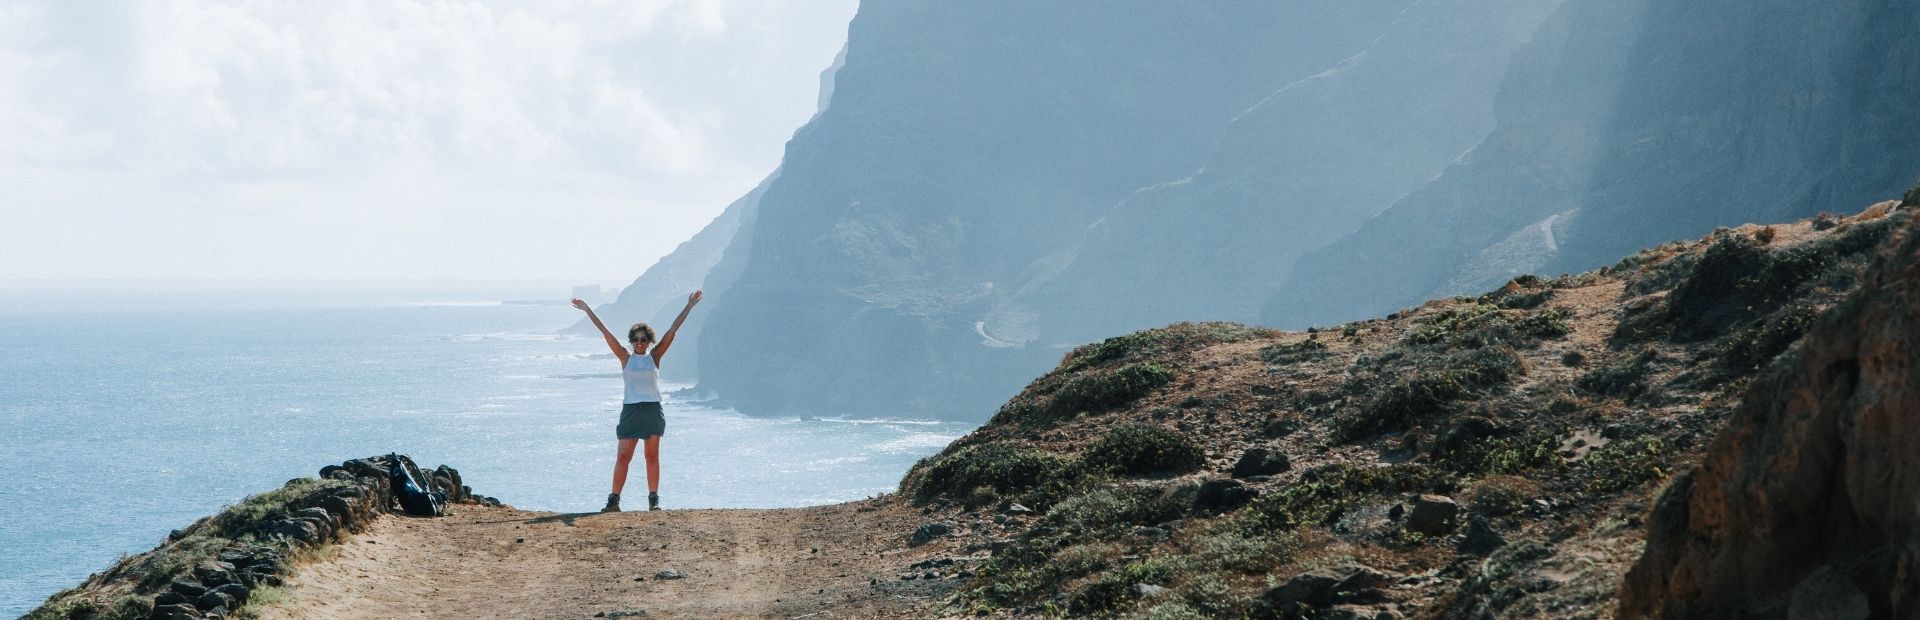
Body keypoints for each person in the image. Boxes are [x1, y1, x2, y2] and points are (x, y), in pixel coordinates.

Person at [572, 290, 702, 512]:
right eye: (636, 340)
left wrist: (689, 306)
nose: (640, 343)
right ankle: (614, 501)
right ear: (631, 341)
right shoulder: (625, 358)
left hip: (652, 409)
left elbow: (673, 329)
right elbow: (605, 331)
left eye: (644, 339)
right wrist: (587, 310)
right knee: (623, 456)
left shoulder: (655, 356)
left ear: (649, 341)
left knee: (651, 456)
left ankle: (654, 501)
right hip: (631, 411)